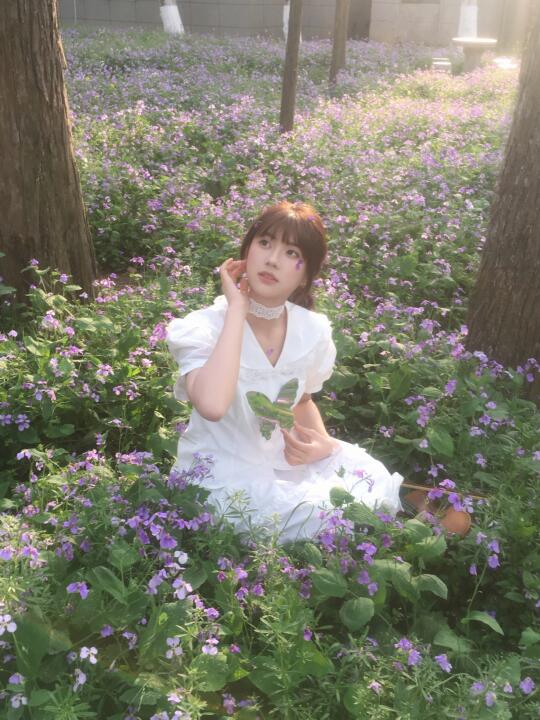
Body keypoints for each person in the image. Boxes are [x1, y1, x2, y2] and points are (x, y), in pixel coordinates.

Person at [166, 201, 402, 542]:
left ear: (305, 275)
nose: (273, 259)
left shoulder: (312, 330)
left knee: (370, 478)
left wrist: (319, 446)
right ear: (246, 252)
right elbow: (212, 406)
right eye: (265, 243)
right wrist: (236, 311)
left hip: (280, 462)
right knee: (314, 513)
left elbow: (302, 400)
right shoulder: (204, 327)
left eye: (292, 253)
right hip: (220, 474)